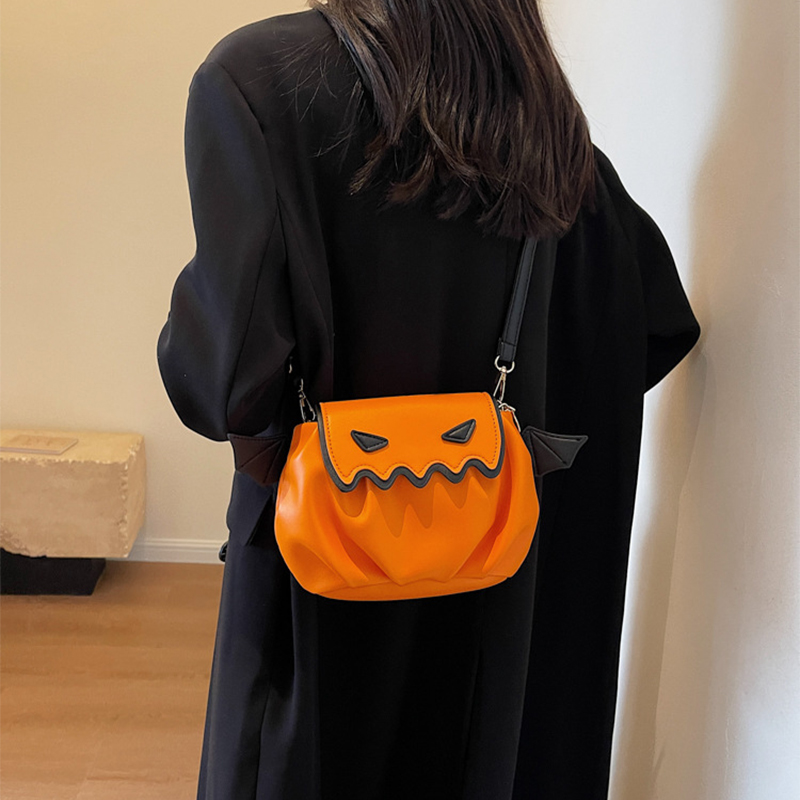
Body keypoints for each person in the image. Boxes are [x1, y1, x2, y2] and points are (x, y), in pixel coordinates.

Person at [156, 3, 701, 798]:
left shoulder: (256, 79)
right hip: (495, 595)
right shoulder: (541, 116)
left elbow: (223, 384)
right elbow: (648, 324)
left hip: (322, 589)